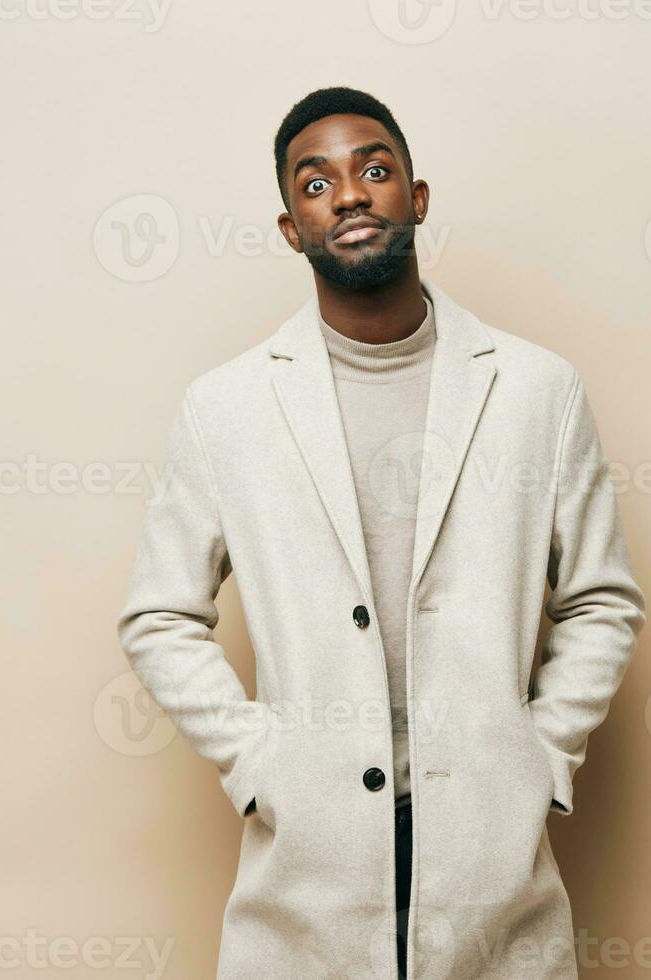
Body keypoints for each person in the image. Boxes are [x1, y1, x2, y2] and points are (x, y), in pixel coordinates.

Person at [116, 86, 646, 979]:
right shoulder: (227, 407)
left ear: (417, 196)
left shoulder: (535, 389)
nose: (350, 194)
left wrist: (542, 754)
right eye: (315, 182)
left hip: (492, 850)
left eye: (373, 169)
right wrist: (256, 761)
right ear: (292, 228)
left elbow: (602, 600)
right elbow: (158, 617)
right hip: (307, 861)